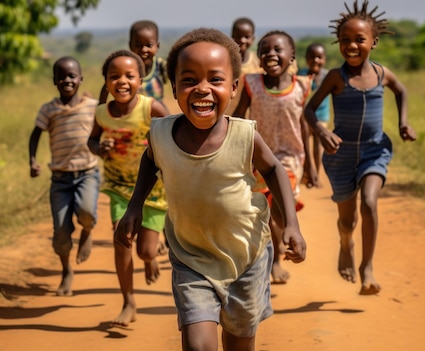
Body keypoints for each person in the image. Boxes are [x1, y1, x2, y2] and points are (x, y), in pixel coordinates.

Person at [114, 28, 306, 351]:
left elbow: (273, 169)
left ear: (233, 88)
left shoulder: (244, 135)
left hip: (246, 258)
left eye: (215, 80)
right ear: (174, 87)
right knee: (198, 345)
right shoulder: (161, 134)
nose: (202, 88)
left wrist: (292, 225)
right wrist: (134, 206)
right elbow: (151, 161)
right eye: (189, 80)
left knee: (238, 345)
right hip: (191, 257)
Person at [304, 0, 417, 295]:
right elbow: (309, 110)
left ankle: (367, 267)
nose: (351, 45)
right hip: (340, 154)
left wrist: (404, 123)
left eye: (359, 39)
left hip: (374, 150)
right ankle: (346, 243)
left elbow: (401, 90)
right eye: (345, 40)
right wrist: (320, 130)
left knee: (369, 202)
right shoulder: (335, 78)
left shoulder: (381, 74)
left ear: (374, 42)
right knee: (348, 219)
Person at [88, 50, 169, 327]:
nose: (122, 81)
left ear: (140, 79)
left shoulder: (152, 108)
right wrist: (100, 148)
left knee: (146, 250)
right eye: (114, 76)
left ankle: (149, 258)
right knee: (121, 241)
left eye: (129, 76)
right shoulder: (101, 113)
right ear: (106, 82)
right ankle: (129, 302)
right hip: (119, 187)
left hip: (154, 191)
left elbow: (174, 136)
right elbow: (92, 142)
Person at [232, 30, 317, 285]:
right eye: (265, 50)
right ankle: (274, 262)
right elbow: (239, 117)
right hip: (257, 157)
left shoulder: (301, 86)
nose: (271, 54)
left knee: (281, 205)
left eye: (278, 49)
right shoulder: (252, 84)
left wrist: (312, 164)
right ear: (258, 57)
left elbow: (303, 125)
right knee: (266, 211)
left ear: (291, 56)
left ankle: (286, 238)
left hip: (290, 158)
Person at [28, 56, 100, 297]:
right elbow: (35, 134)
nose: (67, 80)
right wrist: (32, 160)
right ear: (54, 81)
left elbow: (107, 124)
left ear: (81, 79)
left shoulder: (93, 107)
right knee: (60, 232)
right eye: (62, 76)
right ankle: (66, 270)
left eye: (72, 76)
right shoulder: (49, 110)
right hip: (60, 179)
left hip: (87, 173)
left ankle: (87, 232)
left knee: (87, 212)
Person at [98, 20, 169, 113]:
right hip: (133, 116)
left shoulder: (161, 66)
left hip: (156, 115)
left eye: (149, 45)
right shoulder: (125, 67)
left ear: (157, 46)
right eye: (138, 45)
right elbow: (106, 86)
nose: (144, 49)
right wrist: (101, 111)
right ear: (130, 45)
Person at [297, 43, 330, 183]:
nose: (315, 60)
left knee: (318, 147)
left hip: (321, 117)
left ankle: (316, 175)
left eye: (319, 57)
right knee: (303, 146)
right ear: (306, 58)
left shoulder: (328, 76)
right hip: (303, 118)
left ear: (324, 59)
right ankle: (306, 174)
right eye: (312, 57)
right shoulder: (300, 75)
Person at [226, 17, 265, 117]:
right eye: (238, 36)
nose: (242, 40)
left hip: (251, 117)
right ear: (231, 37)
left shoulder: (258, 63)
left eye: (246, 37)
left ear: (253, 39)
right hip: (227, 114)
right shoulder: (224, 61)